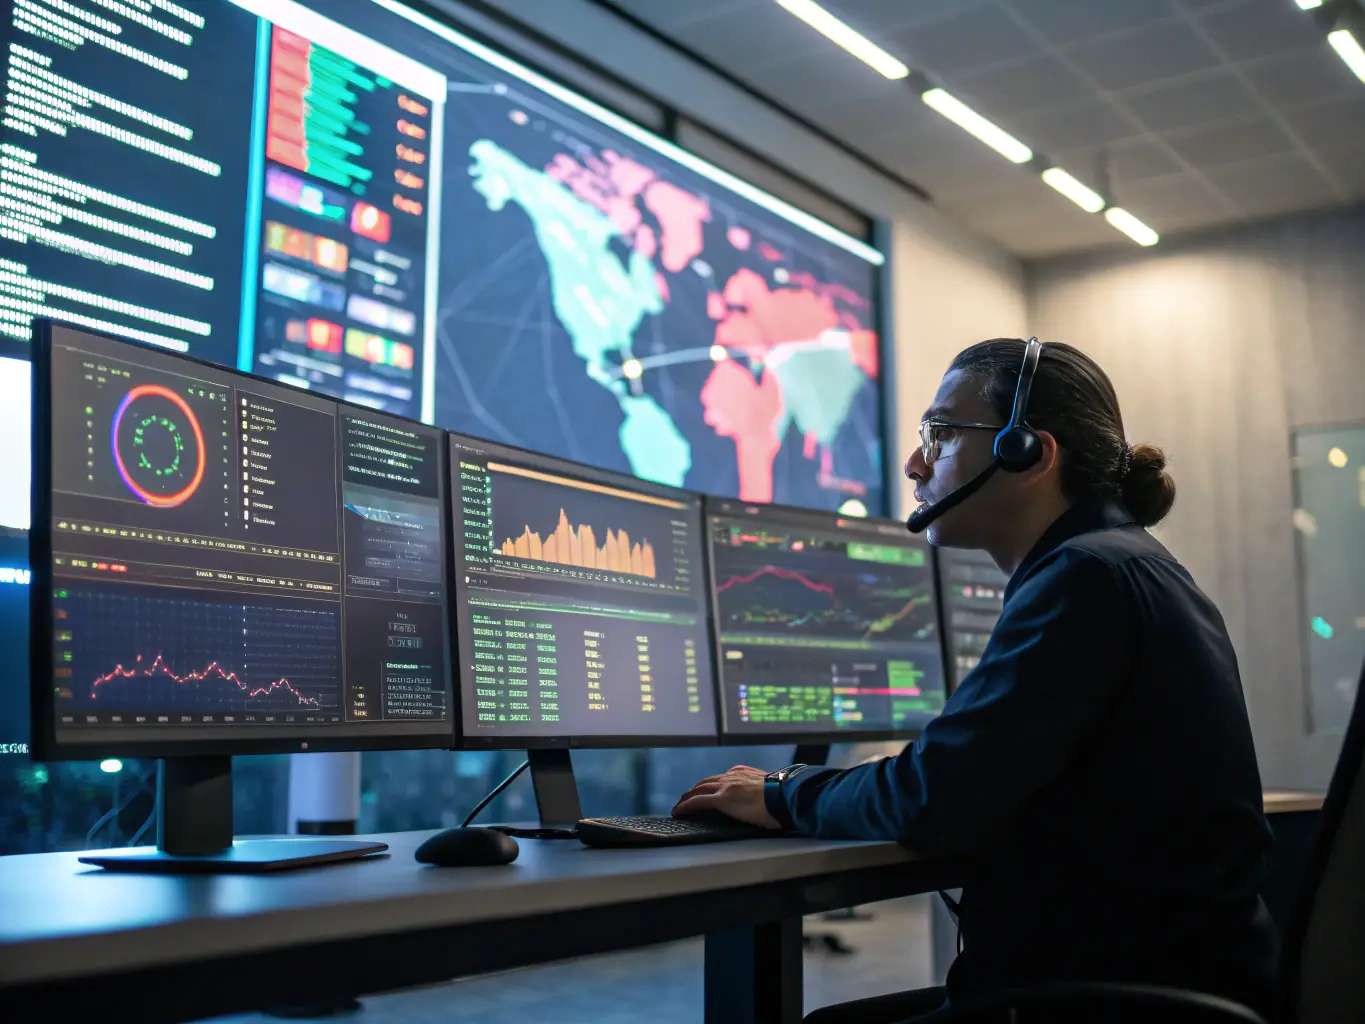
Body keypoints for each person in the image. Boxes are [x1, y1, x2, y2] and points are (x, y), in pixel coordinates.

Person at [674, 339, 1279, 1021]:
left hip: (1106, 1002)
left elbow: (934, 797)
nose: (914, 463)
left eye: (939, 433)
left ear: (1028, 452)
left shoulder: (1085, 580)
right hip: (1164, 989)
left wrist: (783, 794)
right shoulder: (1124, 565)